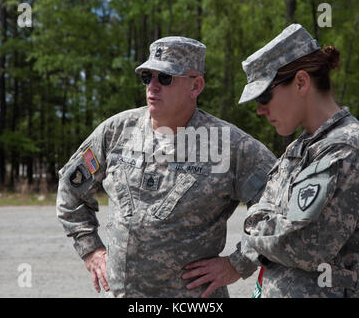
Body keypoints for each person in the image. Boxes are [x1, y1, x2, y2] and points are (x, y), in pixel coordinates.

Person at [56, 36, 276, 297]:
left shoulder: (227, 145)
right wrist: (90, 249)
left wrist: (238, 263)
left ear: (196, 86)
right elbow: (71, 188)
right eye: (147, 77)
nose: (153, 86)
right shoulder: (116, 131)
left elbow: (278, 203)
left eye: (165, 78)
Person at [238, 23, 359, 298]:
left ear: (301, 82)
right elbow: (271, 217)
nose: (259, 109)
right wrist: (270, 225)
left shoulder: (348, 148)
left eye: (265, 95)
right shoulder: (303, 146)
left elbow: (305, 245)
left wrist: (253, 225)